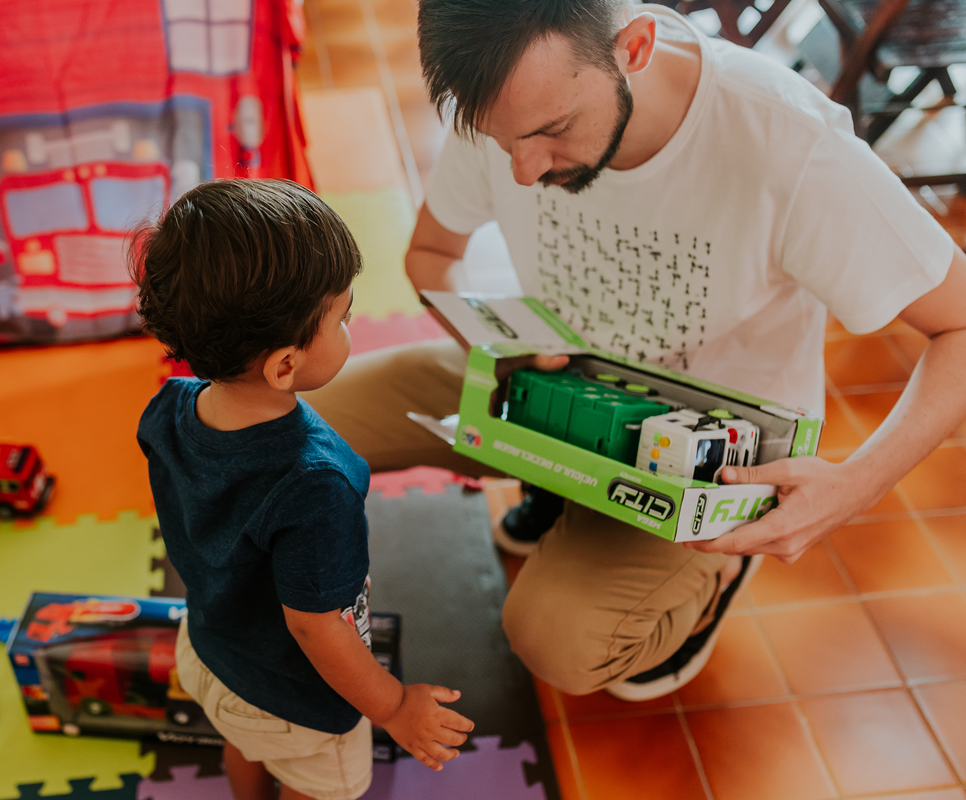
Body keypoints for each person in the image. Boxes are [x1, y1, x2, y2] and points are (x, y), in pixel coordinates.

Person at [302, 0, 966, 701]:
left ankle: (710, 580)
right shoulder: (504, 89)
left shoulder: (788, 141)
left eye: (553, 131)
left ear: (635, 46)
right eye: (503, 143)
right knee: (291, 421)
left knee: (556, 641)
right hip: (552, 377)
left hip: (713, 449)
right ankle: (555, 487)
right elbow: (434, 254)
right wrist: (503, 347)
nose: (524, 172)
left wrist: (853, 486)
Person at [133, 179, 475, 800]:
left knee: (243, 744)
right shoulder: (317, 483)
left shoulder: (169, 407)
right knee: (319, 786)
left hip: (209, 651)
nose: (352, 324)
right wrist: (395, 706)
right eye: (342, 317)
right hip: (296, 700)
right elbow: (319, 629)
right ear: (285, 365)